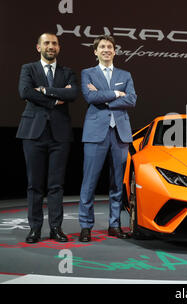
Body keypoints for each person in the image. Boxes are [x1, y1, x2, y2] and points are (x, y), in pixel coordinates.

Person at [17, 33, 79, 243]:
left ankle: (55, 228)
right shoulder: (28, 68)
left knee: (56, 185)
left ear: (58, 48)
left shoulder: (67, 72)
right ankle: (35, 229)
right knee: (34, 184)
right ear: (38, 47)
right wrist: (54, 99)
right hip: (33, 132)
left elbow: (72, 94)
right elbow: (25, 91)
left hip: (59, 135)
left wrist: (44, 90)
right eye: (46, 43)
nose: (50, 46)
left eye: (54, 43)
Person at [78, 35, 137, 242]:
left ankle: (114, 224)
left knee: (116, 184)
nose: (106, 50)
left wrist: (107, 97)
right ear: (95, 51)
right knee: (89, 182)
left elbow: (132, 99)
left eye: (109, 47)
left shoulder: (125, 74)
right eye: (102, 47)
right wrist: (115, 93)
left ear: (115, 51)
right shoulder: (88, 73)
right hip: (95, 133)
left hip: (120, 134)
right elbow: (90, 97)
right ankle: (86, 226)